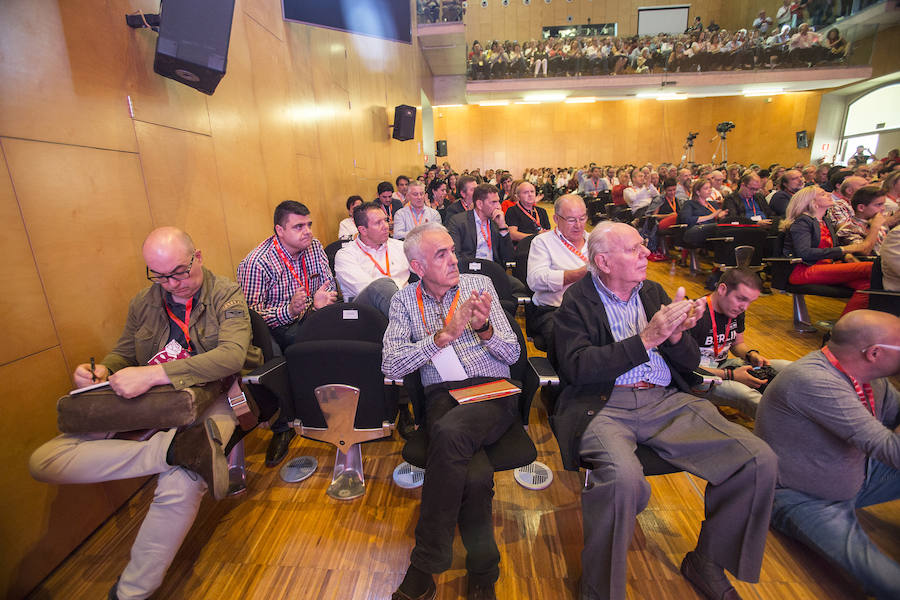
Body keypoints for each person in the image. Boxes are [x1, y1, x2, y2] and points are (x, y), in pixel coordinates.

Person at [29, 227, 262, 600]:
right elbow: (124, 353)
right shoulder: (144, 302)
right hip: (158, 403)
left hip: (215, 395)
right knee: (45, 459)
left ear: (197, 257)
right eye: (160, 276)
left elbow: (231, 357)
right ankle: (172, 452)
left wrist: (153, 374)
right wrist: (103, 370)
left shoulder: (226, 294)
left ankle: (131, 593)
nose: (171, 284)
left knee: (182, 483)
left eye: (179, 272)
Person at [552, 221, 777, 600]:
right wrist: (646, 339)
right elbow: (578, 368)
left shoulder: (652, 291)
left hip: (664, 399)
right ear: (604, 261)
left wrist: (675, 338)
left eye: (643, 246)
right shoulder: (577, 300)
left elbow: (690, 363)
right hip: (604, 405)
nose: (646, 253)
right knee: (623, 481)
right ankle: (598, 590)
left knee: (757, 459)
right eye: (634, 249)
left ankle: (706, 562)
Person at [383, 223, 521, 600]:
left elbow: (513, 356)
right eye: (440, 254)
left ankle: (425, 565)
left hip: (492, 391)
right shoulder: (404, 301)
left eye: (452, 250)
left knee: (448, 433)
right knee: (474, 478)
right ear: (418, 267)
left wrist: (486, 329)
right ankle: (483, 569)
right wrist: (440, 338)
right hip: (444, 396)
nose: (453, 260)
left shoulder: (481, 288)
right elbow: (391, 366)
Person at [755, 310, 900, 600]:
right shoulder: (815, 381)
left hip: (857, 475)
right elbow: (893, 451)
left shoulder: (872, 378)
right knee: (890, 583)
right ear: (874, 353)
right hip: (803, 497)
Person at [237, 200, 338, 466]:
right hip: (276, 327)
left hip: (313, 314)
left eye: (309, 225)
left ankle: (334, 404)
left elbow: (327, 281)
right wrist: (291, 310)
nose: (307, 231)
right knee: (295, 347)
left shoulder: (314, 247)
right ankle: (283, 425)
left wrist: (320, 301)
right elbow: (252, 317)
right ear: (279, 231)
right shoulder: (258, 263)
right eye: (298, 226)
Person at [688, 268, 791, 418]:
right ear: (722, 289)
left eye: (750, 301)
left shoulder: (736, 310)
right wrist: (731, 375)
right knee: (747, 396)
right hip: (699, 378)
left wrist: (750, 355)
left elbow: (737, 344)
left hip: (723, 367)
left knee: (788, 368)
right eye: (741, 299)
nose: (745, 307)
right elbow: (687, 368)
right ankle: (788, 430)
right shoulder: (695, 315)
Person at [781, 186, 874, 315]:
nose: (829, 195)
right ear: (812, 201)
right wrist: (843, 250)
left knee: (868, 286)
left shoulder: (825, 221)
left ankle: (845, 328)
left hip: (825, 267)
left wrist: (844, 255)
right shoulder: (802, 222)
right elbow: (805, 253)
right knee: (871, 268)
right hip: (804, 269)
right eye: (823, 194)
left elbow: (830, 249)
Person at [526, 194, 589, 349]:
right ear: (556, 219)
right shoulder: (542, 242)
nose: (578, 225)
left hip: (593, 309)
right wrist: (578, 274)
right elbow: (535, 281)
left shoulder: (596, 241)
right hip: (556, 310)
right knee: (572, 347)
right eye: (571, 220)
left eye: (582, 218)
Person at [334, 201, 410, 316]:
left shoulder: (400, 246)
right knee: (383, 285)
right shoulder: (346, 255)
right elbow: (371, 290)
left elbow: (423, 268)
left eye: (385, 220)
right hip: (368, 314)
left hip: (405, 304)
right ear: (363, 230)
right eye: (378, 223)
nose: (386, 226)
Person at [837, 185, 896, 256]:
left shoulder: (879, 224)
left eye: (883, 204)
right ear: (861, 208)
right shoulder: (847, 230)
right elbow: (864, 252)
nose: (883, 208)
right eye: (878, 205)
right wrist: (875, 227)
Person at [679, 178, 729, 247]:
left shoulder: (713, 204)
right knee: (719, 228)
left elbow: (717, 220)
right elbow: (686, 219)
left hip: (714, 231)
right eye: (706, 188)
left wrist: (720, 217)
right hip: (695, 231)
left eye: (710, 188)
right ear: (698, 192)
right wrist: (711, 216)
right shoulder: (689, 204)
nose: (709, 190)